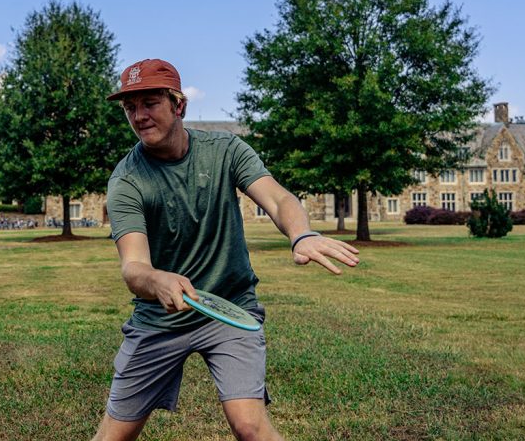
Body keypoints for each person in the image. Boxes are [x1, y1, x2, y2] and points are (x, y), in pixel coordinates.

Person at [91, 59, 360, 441]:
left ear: (178, 105)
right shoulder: (127, 180)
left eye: (149, 103)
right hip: (159, 322)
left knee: (250, 425)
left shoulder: (225, 150)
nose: (138, 116)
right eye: (130, 108)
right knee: (113, 437)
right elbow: (133, 267)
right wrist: (157, 280)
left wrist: (301, 235)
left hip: (229, 309)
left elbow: (278, 198)